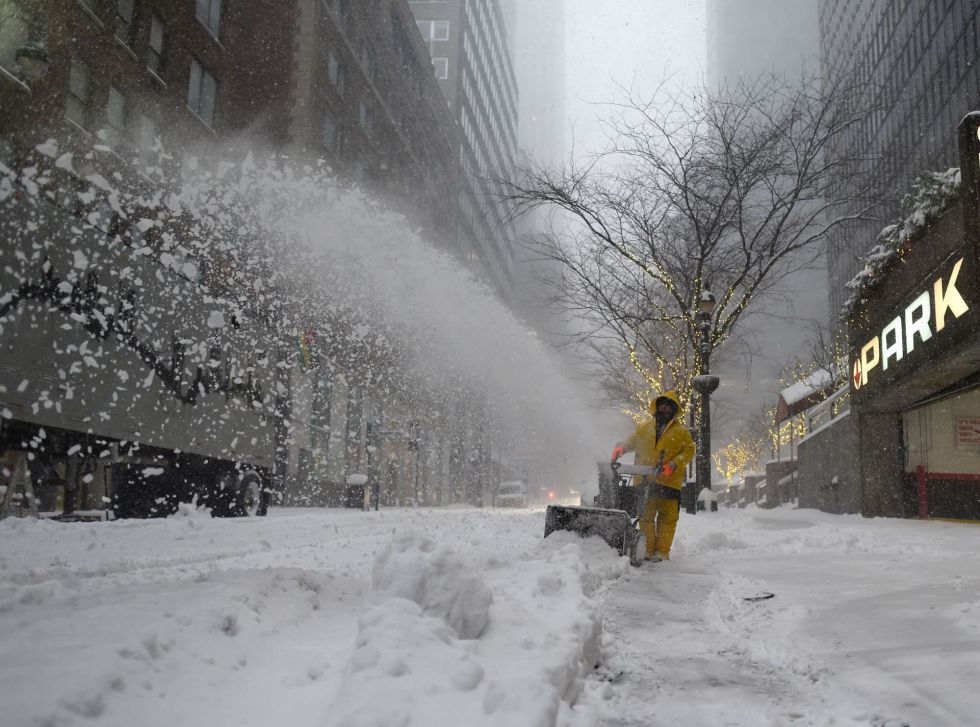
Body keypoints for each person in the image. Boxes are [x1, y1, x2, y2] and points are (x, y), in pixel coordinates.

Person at [610, 390, 695, 562]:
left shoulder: (682, 432)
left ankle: (662, 553)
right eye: (661, 404)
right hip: (645, 480)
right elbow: (631, 441)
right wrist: (621, 448)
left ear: (674, 408)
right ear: (656, 407)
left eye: (668, 405)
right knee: (646, 517)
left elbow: (689, 450)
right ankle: (648, 551)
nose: (664, 408)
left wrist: (672, 464)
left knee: (668, 519)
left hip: (669, 483)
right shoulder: (644, 428)